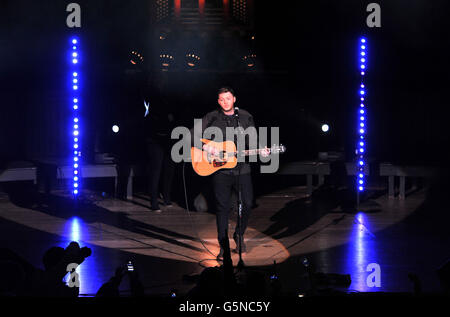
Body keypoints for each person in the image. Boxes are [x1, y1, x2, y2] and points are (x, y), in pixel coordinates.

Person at [192, 87, 269, 259]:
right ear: (218, 101)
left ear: (234, 99)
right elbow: (191, 134)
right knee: (222, 208)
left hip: (242, 168)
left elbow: (253, 140)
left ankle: (239, 234)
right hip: (220, 170)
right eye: (221, 99)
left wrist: (261, 149)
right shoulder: (212, 117)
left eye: (228, 98)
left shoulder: (245, 116)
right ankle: (224, 246)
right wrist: (206, 146)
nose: (225, 102)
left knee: (248, 203)